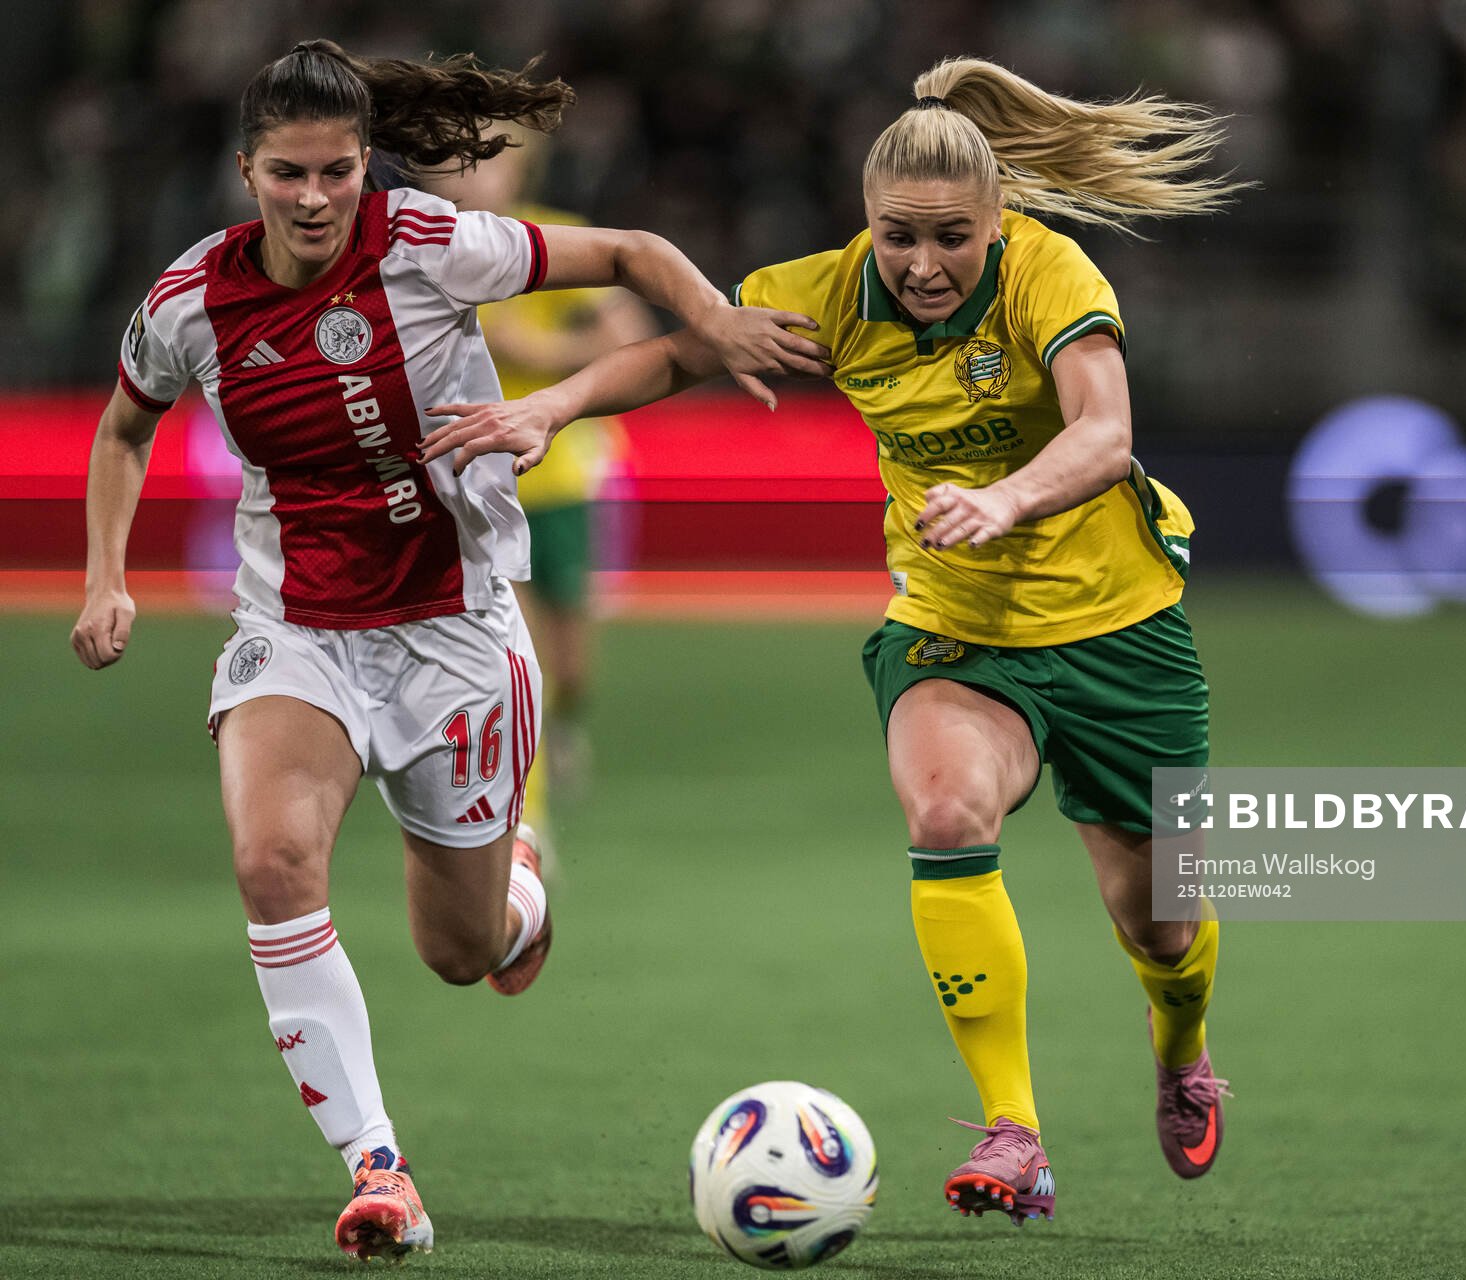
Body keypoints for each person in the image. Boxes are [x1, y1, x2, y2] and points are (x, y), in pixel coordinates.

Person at [423, 56, 1242, 1225]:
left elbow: (1103, 432)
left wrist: (1007, 498)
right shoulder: (829, 294)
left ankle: (1182, 1042)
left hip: (1121, 631)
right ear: (866, 222)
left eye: (950, 238)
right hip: (952, 627)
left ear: (997, 217)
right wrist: (551, 405)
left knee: (1159, 918)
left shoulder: (1049, 274)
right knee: (948, 811)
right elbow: (675, 353)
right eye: (896, 236)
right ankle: (1016, 1128)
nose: (920, 264)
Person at [68, 39, 826, 1262]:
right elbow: (123, 428)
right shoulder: (188, 302)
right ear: (245, 169)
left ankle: (518, 891)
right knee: (272, 862)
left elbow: (630, 254)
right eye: (287, 174)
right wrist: (105, 577)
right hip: (296, 628)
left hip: (453, 631)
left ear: (365, 164)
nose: (314, 199)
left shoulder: (431, 244)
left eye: (336, 171)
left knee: (458, 951)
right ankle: (379, 1166)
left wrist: (718, 321)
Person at [423, 132, 658, 825]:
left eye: (489, 161)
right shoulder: (428, 253)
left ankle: (559, 733)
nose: (471, 178)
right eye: (454, 164)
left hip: (562, 481)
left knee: (570, 667)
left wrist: (543, 350)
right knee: (512, 658)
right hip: (475, 485)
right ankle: (526, 818)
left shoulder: (558, 242)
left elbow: (632, 335)